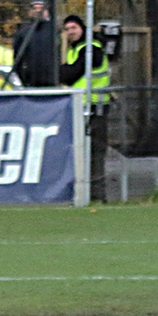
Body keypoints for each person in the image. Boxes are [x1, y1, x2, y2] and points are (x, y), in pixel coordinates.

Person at [59, 14, 110, 202]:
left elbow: (70, 74)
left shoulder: (91, 48)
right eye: (67, 29)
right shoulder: (76, 49)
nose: (71, 32)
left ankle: (97, 194)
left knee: (95, 151)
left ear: (82, 28)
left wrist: (65, 72)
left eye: (74, 28)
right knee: (81, 151)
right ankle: (85, 193)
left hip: (95, 106)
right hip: (80, 107)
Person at [12, 0, 57, 87]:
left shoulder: (55, 32)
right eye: (35, 8)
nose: (38, 11)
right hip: (30, 82)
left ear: (47, 12)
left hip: (52, 82)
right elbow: (17, 58)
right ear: (30, 11)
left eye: (41, 8)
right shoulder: (23, 33)